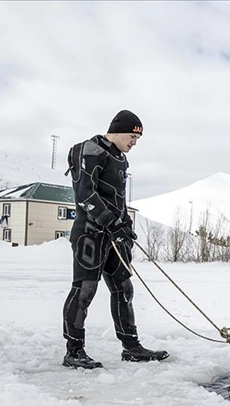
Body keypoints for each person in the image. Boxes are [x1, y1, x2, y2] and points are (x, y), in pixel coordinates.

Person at [62, 110, 169, 369]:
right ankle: (74, 351)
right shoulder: (88, 150)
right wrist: (110, 221)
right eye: (132, 136)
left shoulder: (119, 157)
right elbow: (85, 195)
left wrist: (125, 225)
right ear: (118, 131)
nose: (134, 142)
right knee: (85, 289)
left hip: (114, 236)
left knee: (124, 289)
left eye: (137, 138)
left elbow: (117, 198)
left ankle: (131, 347)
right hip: (90, 232)